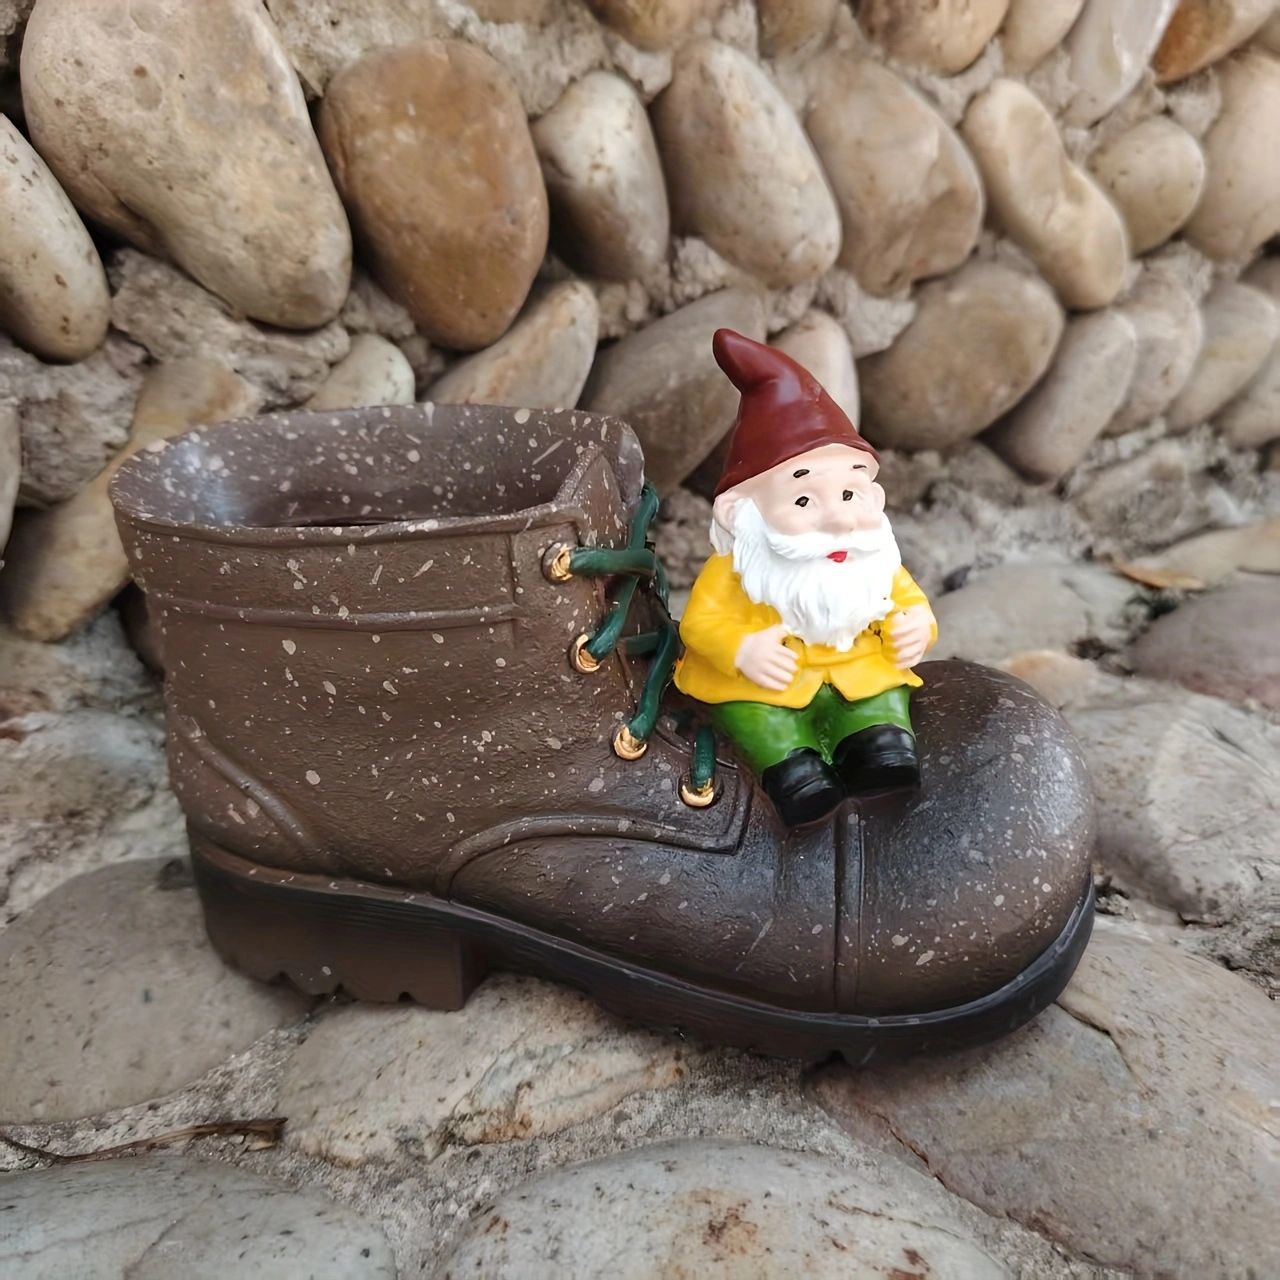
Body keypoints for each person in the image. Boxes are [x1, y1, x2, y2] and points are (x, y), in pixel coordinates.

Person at [675, 328, 938, 826]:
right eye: (802, 500)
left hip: (859, 670)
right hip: (762, 688)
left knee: (881, 703)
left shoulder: (871, 561)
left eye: (849, 495)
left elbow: (909, 602)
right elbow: (699, 625)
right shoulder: (734, 570)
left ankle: (878, 746)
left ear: (874, 497)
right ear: (740, 514)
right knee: (759, 720)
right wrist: (742, 650)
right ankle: (793, 769)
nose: (838, 519)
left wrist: (916, 628)